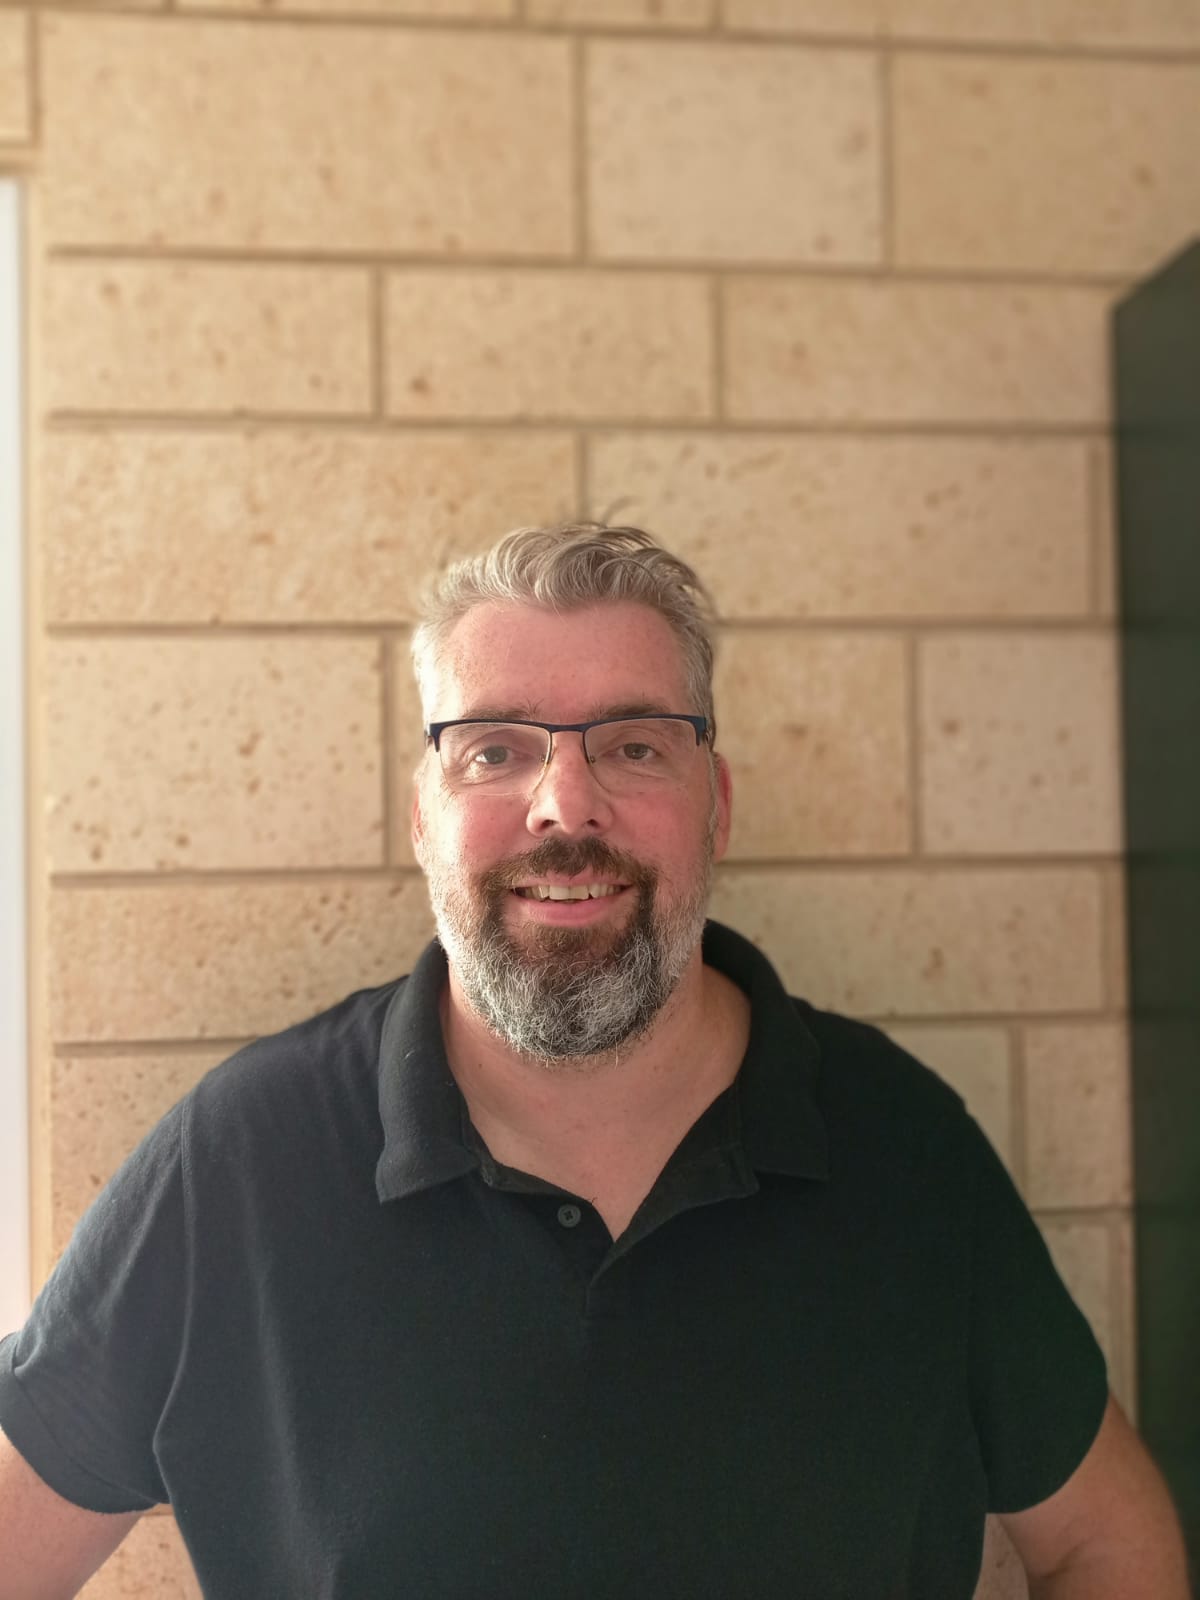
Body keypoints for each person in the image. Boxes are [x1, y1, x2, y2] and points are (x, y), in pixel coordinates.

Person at [0, 523, 1190, 1599]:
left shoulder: (900, 1141)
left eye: (633, 745)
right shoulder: (245, 1161)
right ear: (421, 815)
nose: (565, 807)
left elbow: (1107, 1541)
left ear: (716, 806)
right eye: (494, 750)